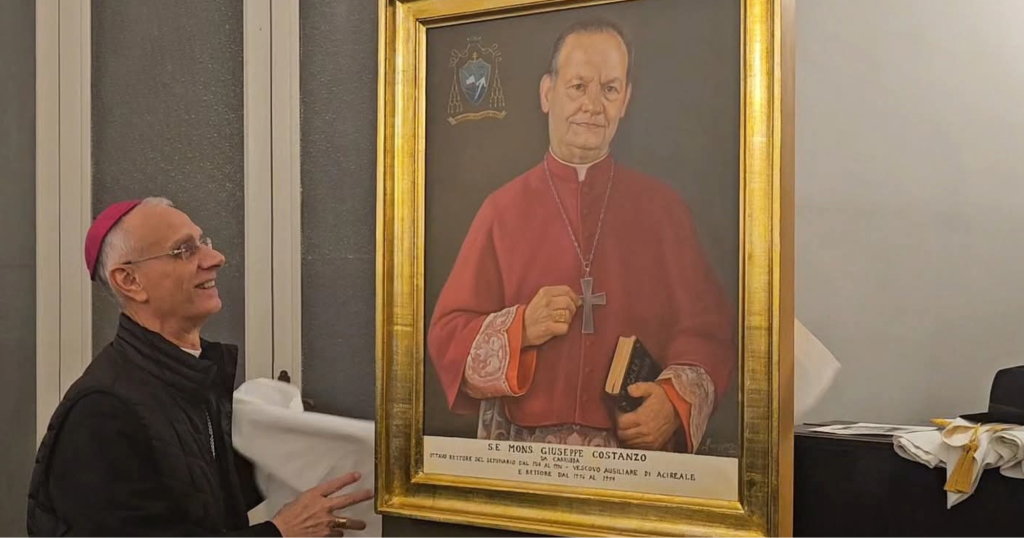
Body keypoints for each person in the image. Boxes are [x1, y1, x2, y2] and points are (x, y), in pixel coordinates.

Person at [427, 19, 735, 454]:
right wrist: (521, 329)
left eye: (609, 89)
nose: (592, 105)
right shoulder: (501, 210)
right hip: (525, 452)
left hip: (633, 455)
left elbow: (708, 332)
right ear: (547, 93)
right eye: (578, 87)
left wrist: (672, 402)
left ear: (625, 100)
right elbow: (447, 336)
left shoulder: (664, 210)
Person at [27, 197, 371, 537]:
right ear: (130, 281)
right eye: (185, 250)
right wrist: (280, 532)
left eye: (203, 242)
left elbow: (196, 502)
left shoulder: (191, 374)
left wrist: (294, 443)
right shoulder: (101, 410)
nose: (216, 258)